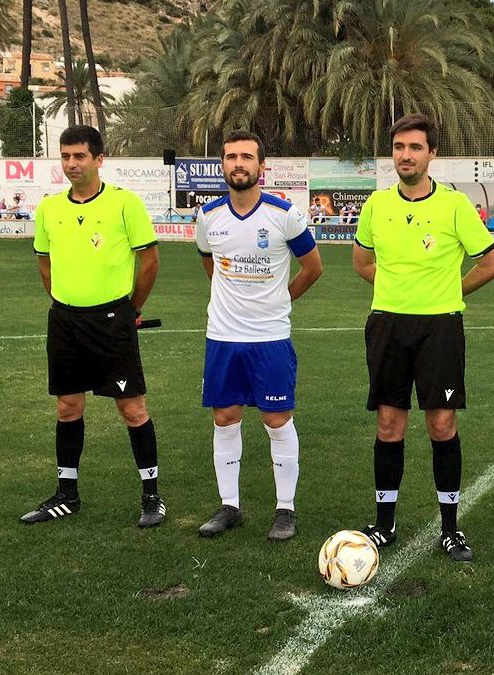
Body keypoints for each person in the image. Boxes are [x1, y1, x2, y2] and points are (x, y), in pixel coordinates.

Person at [352, 113, 494, 562]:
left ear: (432, 154)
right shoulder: (376, 206)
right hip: (388, 326)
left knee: (441, 424)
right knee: (388, 424)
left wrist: (447, 291)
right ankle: (384, 524)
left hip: (440, 327)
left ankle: (451, 529)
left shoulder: (455, 206)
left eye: (415, 147)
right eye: (399, 147)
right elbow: (362, 264)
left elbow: (492, 263)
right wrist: (396, 289)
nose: (406, 155)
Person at [21, 125, 165, 528]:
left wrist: (130, 309)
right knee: (68, 406)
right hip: (65, 321)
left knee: (131, 407)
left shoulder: (125, 204)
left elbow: (150, 262)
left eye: (80, 156)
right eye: (65, 156)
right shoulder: (50, 208)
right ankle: (67, 494)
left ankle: (151, 496)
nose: (71, 164)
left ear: (99, 159)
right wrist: (64, 301)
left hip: (112, 320)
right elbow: (44, 262)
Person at [195, 130, 323, 540]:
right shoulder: (208, 216)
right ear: (222, 166)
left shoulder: (283, 213)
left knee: (276, 418)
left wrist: (280, 301)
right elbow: (210, 265)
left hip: (269, 337)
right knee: (225, 416)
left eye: (247, 156)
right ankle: (229, 505)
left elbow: (313, 268)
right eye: (231, 156)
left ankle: (284, 510)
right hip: (223, 336)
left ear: (261, 166)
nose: (238, 163)